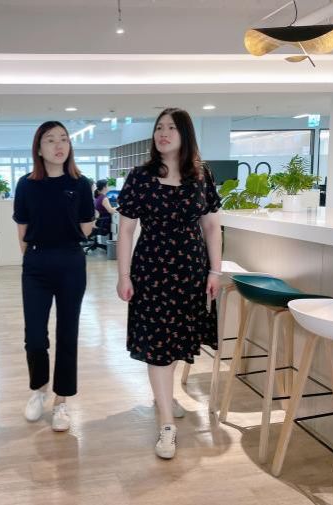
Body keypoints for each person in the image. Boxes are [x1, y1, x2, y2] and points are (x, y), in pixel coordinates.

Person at [116, 108, 222, 460]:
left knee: (176, 340)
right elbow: (126, 230)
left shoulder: (201, 175)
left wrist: (215, 271)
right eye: (159, 127)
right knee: (158, 344)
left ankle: (164, 397)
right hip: (152, 270)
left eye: (171, 128)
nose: (163, 133)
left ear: (185, 134)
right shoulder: (140, 176)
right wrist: (124, 275)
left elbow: (212, 227)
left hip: (191, 270)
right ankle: (165, 422)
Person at [13, 121, 95, 432]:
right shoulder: (26, 184)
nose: (59, 145)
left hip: (71, 262)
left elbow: (87, 226)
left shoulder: (80, 183)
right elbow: (22, 229)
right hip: (36, 264)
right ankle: (39, 389)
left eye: (63, 139)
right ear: (38, 148)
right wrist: (33, 258)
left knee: (67, 333)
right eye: (50, 140)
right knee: (35, 336)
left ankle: (62, 400)